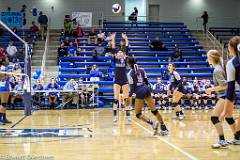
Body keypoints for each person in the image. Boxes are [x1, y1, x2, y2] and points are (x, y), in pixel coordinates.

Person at [127, 57, 168, 135]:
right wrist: (149, 90)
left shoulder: (129, 74)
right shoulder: (142, 70)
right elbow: (146, 82)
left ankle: (153, 124)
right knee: (154, 110)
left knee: (138, 114)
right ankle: (164, 127)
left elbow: (132, 89)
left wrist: (128, 97)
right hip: (146, 89)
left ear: (128, 64)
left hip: (139, 91)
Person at [206, 49, 236, 148]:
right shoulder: (219, 68)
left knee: (214, 117)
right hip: (229, 94)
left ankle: (222, 140)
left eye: (208, 57)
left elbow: (224, 85)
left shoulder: (217, 70)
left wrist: (211, 89)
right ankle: (237, 137)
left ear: (211, 58)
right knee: (228, 117)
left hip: (226, 95)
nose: (207, 59)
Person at [220, 36, 240, 145]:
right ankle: (237, 138)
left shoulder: (231, 63)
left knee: (235, 124)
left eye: (228, 46)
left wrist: (224, 110)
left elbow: (230, 88)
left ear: (232, 48)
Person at [111, 32, 131, 124]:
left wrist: (126, 38)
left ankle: (128, 116)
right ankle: (115, 117)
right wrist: (113, 38)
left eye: (121, 52)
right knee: (116, 99)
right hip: (117, 81)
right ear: (116, 55)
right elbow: (113, 47)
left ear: (123, 55)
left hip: (125, 81)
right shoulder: (115, 59)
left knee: (126, 99)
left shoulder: (125, 59)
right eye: (118, 52)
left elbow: (126, 48)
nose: (119, 53)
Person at [0, 58, 12, 125]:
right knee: (3, 103)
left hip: (6, 87)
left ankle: (4, 118)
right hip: (3, 87)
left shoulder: (6, 67)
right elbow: (2, 79)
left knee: (5, 104)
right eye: (7, 60)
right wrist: (8, 75)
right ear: (4, 62)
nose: (8, 60)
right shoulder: (2, 68)